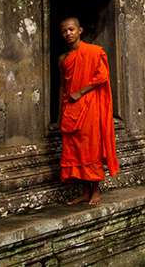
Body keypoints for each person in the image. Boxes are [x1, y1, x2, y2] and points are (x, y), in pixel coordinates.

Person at [58, 17, 119, 205]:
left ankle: (96, 191)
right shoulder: (63, 59)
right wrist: (61, 111)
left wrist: (80, 92)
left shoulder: (93, 52)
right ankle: (85, 191)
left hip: (89, 105)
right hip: (71, 108)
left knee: (90, 147)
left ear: (79, 30)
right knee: (75, 149)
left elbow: (102, 76)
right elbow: (63, 85)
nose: (68, 34)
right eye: (64, 31)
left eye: (71, 29)